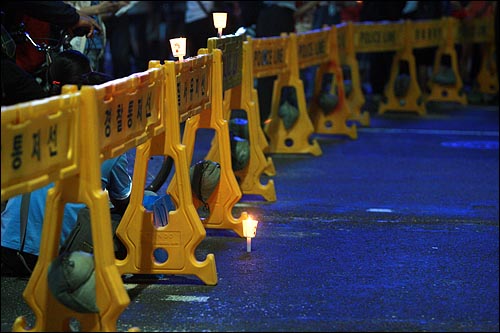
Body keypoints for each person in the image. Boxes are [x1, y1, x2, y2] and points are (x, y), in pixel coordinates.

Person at [1, 50, 132, 277]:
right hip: (51, 259)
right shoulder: (110, 144)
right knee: (117, 219)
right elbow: (125, 201)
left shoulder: (38, 126)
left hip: (8, 249)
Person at [64, 1, 129, 72]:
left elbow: (99, 17)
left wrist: (112, 8)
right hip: (80, 41)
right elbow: (64, 10)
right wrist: (98, 9)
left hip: (97, 41)